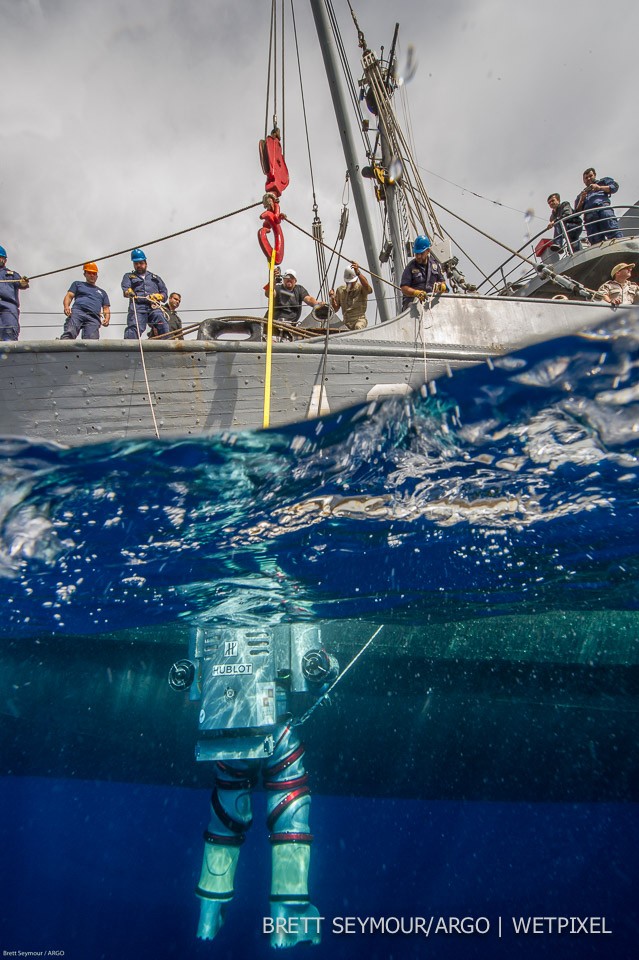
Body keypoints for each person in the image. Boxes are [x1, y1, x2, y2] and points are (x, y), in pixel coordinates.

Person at [121, 248, 169, 339]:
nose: (139, 265)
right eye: (136, 264)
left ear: (146, 263)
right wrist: (129, 292)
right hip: (138, 307)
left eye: (141, 263)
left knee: (162, 322)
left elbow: (164, 293)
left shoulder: (155, 278)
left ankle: (167, 346)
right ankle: (129, 350)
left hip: (153, 306)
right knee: (134, 327)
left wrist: (159, 296)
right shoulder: (129, 276)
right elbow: (126, 289)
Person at [60, 263, 110, 340]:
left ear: (97, 276)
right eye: (89, 273)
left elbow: (106, 308)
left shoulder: (102, 292)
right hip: (78, 312)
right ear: (85, 274)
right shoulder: (78, 284)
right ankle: (63, 348)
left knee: (92, 341)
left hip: (93, 317)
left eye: (94, 273)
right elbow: (69, 296)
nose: (92, 275)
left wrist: (107, 319)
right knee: (70, 333)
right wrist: (66, 307)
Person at [574, 168, 622, 246]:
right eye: (586, 178)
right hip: (589, 216)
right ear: (583, 181)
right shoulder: (581, 195)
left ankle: (619, 245)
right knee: (595, 240)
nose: (588, 179)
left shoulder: (603, 182)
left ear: (595, 175)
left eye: (590, 176)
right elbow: (577, 212)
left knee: (612, 229)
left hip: (602, 209)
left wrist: (600, 188)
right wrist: (582, 200)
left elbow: (614, 187)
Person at [400, 235, 446, 309]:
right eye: (416, 253)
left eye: (421, 253)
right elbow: (404, 288)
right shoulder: (410, 267)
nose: (418, 256)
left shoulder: (435, 265)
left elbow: (442, 281)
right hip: (413, 304)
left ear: (428, 251)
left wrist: (442, 286)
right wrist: (416, 293)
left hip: (431, 304)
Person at [329, 262, 372, 330]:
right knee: (332, 330)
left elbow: (367, 287)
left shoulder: (361, 288)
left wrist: (358, 273)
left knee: (358, 327)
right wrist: (332, 298)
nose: (350, 284)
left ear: (356, 279)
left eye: (352, 282)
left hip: (359, 320)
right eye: (348, 282)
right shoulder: (340, 290)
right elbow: (335, 309)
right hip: (346, 322)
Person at [0, 244, 29, 342]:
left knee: (9, 330)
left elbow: (22, 284)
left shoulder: (11, 274)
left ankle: (9, 354)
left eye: (1, 257)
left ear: (5, 260)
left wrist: (24, 282)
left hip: (8, 305)